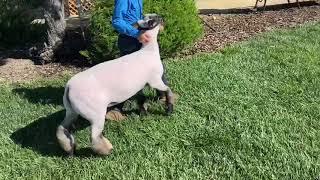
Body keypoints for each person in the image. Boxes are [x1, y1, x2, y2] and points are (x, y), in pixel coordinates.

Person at [105, 0, 171, 121]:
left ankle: (163, 95)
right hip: (129, 41)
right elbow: (117, 21)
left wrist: (150, 21)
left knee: (156, 66)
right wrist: (136, 33)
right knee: (130, 76)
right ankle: (115, 109)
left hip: (138, 38)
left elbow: (135, 19)